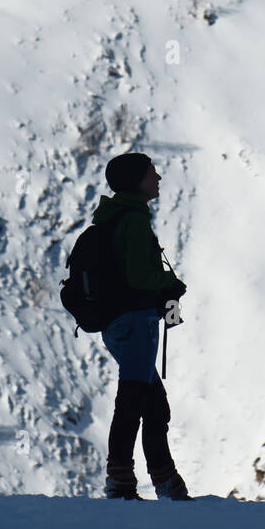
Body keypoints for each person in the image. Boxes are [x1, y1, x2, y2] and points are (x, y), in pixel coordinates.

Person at [94, 151, 189, 500]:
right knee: (134, 401)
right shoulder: (133, 221)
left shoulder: (116, 218)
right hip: (137, 321)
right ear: (137, 181)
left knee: (151, 404)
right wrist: (167, 285)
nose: (159, 178)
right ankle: (124, 481)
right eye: (152, 173)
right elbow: (138, 276)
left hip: (120, 323)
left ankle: (162, 480)